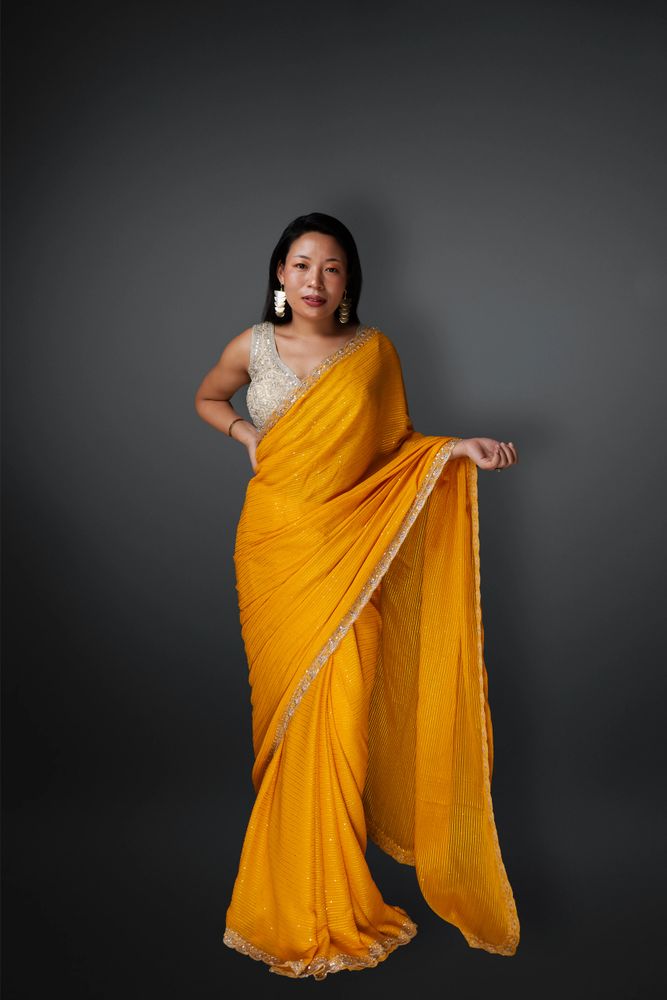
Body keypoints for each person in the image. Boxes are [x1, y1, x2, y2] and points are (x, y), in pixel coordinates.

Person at [194, 212, 520, 979]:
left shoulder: (372, 356)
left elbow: (395, 448)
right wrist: (249, 439)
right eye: (302, 264)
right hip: (274, 549)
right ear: (279, 273)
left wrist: (454, 450)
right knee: (286, 719)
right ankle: (286, 901)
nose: (315, 280)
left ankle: (339, 898)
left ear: (349, 281)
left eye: (332, 268)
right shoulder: (252, 346)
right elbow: (210, 399)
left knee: (341, 718)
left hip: (351, 553)